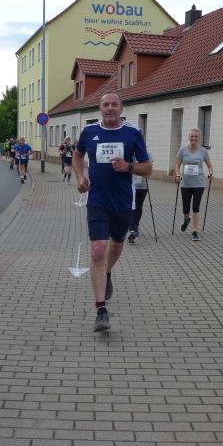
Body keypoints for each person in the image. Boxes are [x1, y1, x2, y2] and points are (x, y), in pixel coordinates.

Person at [73, 93, 151, 332]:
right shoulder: (89, 132)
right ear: (100, 108)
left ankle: (107, 272)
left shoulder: (133, 133)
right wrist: (80, 176)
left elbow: (148, 167)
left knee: (116, 246)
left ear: (121, 108)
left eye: (114, 105)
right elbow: (77, 154)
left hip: (123, 202)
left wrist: (129, 166)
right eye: (105, 105)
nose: (109, 108)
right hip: (97, 200)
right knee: (98, 249)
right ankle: (101, 311)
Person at [175, 128, 214, 241]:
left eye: (196, 136)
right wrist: (177, 175)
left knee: (196, 207)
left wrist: (210, 174)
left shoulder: (203, 151)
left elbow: (209, 166)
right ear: (189, 137)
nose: (194, 138)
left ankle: (195, 231)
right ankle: (186, 219)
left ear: (199, 138)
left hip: (199, 183)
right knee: (186, 207)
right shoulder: (182, 151)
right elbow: (177, 165)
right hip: (186, 183)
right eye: (192, 136)